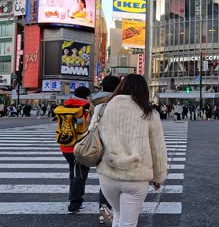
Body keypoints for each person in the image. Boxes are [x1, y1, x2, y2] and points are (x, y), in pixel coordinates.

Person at [92, 74, 167, 227]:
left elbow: (93, 136)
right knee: (128, 222)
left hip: (108, 173)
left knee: (118, 215)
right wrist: (158, 178)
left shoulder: (102, 109)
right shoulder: (150, 114)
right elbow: (158, 150)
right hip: (136, 176)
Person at [55, 87, 92, 213]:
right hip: (79, 146)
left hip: (65, 146)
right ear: (87, 96)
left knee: (75, 172)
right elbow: (89, 126)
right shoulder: (85, 108)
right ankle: (75, 203)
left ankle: (75, 199)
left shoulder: (65, 106)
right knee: (79, 175)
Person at [90, 75, 121, 225]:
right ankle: (119, 212)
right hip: (118, 145)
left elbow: (92, 125)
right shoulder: (118, 100)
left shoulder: (94, 101)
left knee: (105, 180)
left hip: (100, 145)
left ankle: (104, 212)